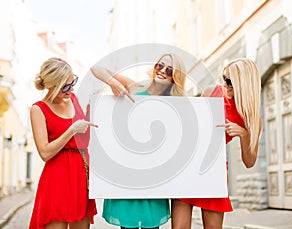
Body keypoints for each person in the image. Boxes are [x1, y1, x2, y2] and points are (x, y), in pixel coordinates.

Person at [90, 53, 186, 229]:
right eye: (160, 65)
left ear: (175, 78)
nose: (163, 71)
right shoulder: (134, 87)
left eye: (170, 70)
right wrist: (114, 83)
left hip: (154, 176)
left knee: (152, 226)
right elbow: (96, 68)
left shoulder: (175, 104)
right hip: (127, 172)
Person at [171, 58, 262, 229]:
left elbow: (249, 162)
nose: (225, 84)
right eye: (224, 78)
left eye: (230, 81)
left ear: (244, 82)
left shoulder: (251, 118)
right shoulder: (212, 92)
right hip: (187, 167)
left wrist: (243, 134)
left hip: (214, 172)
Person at [29, 57, 98, 229]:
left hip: (81, 172)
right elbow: (45, 153)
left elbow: (85, 140)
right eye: (65, 86)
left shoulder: (74, 99)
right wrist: (72, 130)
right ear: (51, 86)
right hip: (57, 176)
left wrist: (91, 115)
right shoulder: (38, 109)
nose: (71, 89)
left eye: (72, 82)